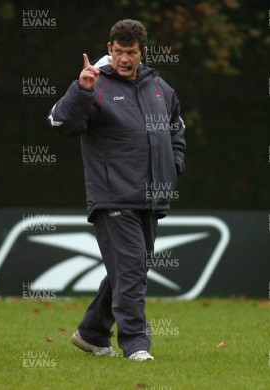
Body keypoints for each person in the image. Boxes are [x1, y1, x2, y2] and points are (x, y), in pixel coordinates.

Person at [47, 19, 185, 361]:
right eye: (119, 51)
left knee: (130, 269)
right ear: (109, 49)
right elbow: (60, 123)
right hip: (112, 197)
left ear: (143, 53)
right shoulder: (94, 84)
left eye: (132, 52)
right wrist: (81, 89)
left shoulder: (160, 88)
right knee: (132, 270)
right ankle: (137, 344)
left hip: (150, 197)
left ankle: (92, 332)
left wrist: (173, 166)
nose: (125, 59)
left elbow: (176, 131)